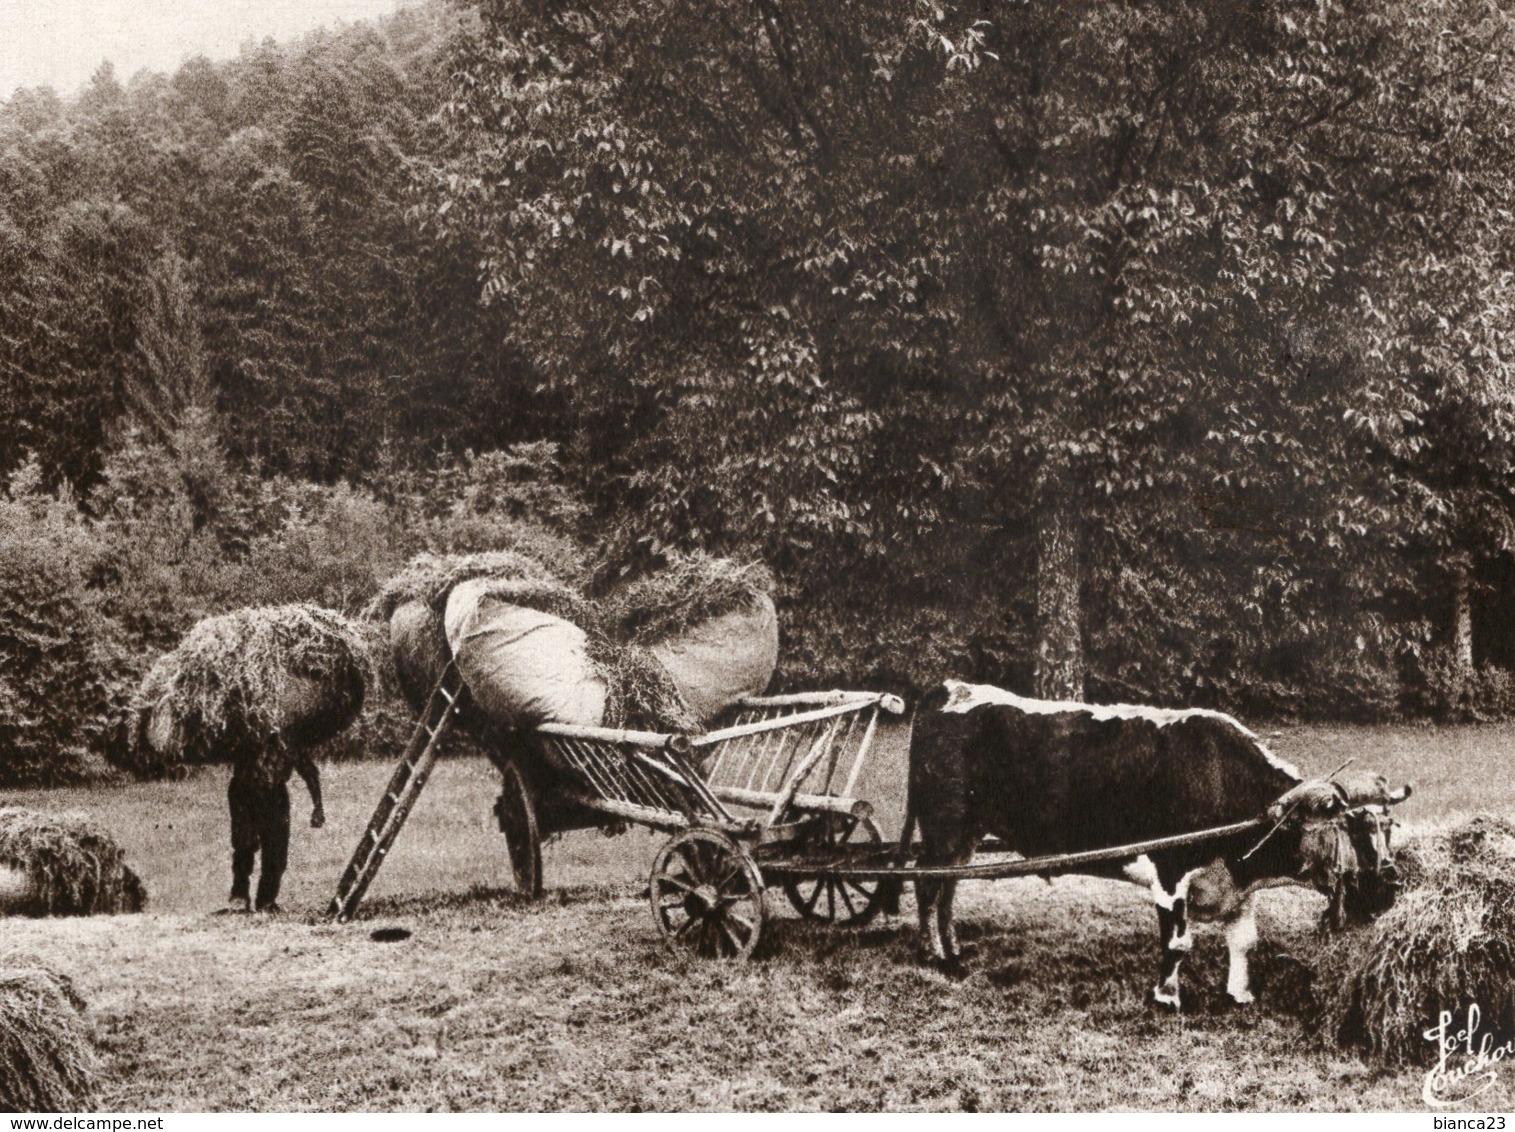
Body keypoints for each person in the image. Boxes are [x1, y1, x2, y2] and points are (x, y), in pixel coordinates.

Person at [227, 748, 324, 913]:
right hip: (244, 790)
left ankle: (266, 900)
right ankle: (240, 894)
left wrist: (318, 805)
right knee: (244, 842)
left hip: (275, 795)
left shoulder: (290, 738)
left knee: (276, 851)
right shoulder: (252, 729)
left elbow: (308, 770)